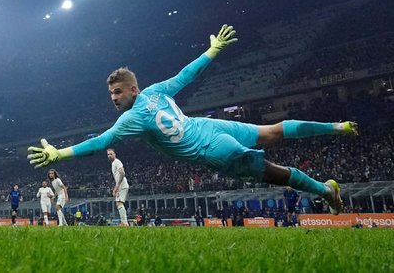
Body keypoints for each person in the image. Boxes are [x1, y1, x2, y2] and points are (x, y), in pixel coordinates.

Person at [28, 25, 357, 215]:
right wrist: (212, 50)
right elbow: (187, 74)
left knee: (274, 173)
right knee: (271, 132)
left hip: (212, 148)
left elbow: (101, 142)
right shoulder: (156, 91)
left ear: (131, 89)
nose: (114, 98)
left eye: (117, 92)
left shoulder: (132, 119)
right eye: (111, 94)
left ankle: (325, 189)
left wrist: (61, 153)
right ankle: (336, 127)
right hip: (207, 126)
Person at [107, 148, 129, 226]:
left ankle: (125, 223)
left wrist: (117, 186)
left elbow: (122, 173)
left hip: (122, 185)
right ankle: (123, 222)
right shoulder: (113, 163)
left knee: (119, 203)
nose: (109, 156)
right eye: (108, 154)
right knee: (118, 203)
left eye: (111, 154)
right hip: (121, 185)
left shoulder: (117, 162)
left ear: (115, 154)